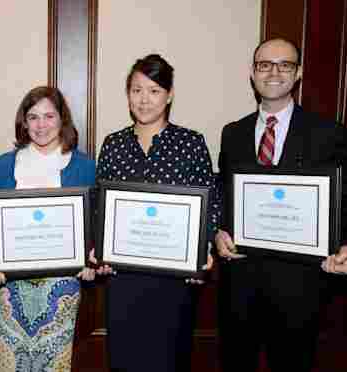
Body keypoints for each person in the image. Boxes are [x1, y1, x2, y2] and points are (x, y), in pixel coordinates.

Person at [215, 38, 347, 372]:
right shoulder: (233, 133)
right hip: (240, 285)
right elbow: (224, 194)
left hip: (299, 288)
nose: (273, 72)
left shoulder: (328, 133)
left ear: (298, 73)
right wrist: (217, 232)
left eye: (284, 64)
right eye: (264, 64)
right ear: (252, 73)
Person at [96, 54, 221, 372]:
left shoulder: (191, 143)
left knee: (169, 359)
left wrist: (202, 249)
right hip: (123, 276)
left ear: (169, 95)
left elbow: (210, 203)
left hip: (174, 279)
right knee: (124, 358)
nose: (144, 99)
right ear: (127, 95)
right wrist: (100, 246)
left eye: (153, 90)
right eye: (136, 90)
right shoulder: (113, 144)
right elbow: (101, 205)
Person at [0, 86, 96, 372]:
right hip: (11, 285)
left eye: (49, 116)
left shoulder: (84, 166)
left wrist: (89, 258)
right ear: (24, 122)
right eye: (33, 117)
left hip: (62, 285)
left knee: (56, 364)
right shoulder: (4, 165)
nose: (41, 125)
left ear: (63, 120)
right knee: (12, 365)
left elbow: (92, 221)